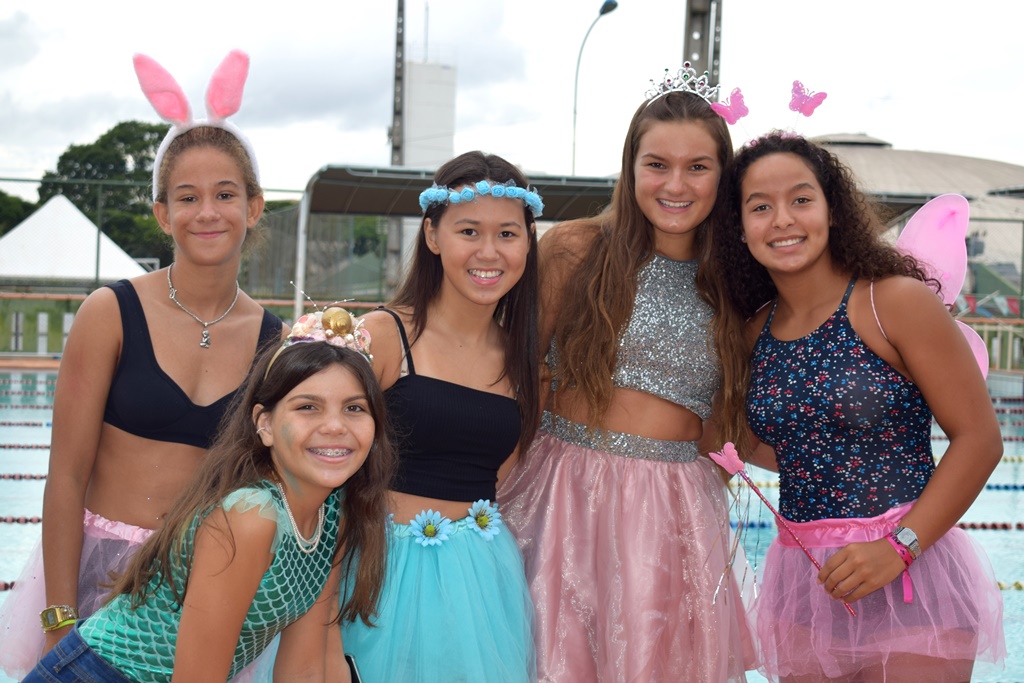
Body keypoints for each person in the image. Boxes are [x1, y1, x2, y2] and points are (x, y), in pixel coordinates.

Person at [0, 50, 286, 679]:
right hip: (95, 584)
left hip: (200, 591)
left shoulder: (275, 341)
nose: (206, 212)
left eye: (225, 194)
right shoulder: (110, 314)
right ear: (162, 213)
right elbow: (65, 475)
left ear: (254, 206)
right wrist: (59, 619)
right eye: (187, 197)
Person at [708, 132, 1006, 682]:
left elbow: (980, 439)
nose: (783, 219)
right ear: (739, 228)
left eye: (801, 199)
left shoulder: (893, 301)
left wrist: (899, 547)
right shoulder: (754, 333)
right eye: (760, 206)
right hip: (805, 585)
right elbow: (780, 447)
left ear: (832, 210)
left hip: (912, 577)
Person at [497, 68, 756, 682]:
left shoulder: (737, 281)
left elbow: (727, 422)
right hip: (560, 493)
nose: (676, 184)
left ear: (723, 176)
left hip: (674, 508)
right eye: (657, 164)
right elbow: (517, 379)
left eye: (697, 167)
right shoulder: (575, 249)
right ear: (630, 167)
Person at [22, 317, 394, 683]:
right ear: (264, 424)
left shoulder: (331, 514)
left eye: (354, 408)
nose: (335, 426)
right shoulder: (250, 516)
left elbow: (305, 668)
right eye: (307, 407)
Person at [336, 151, 541, 682]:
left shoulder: (522, 361)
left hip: (480, 584)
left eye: (507, 234)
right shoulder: (384, 335)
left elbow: (503, 475)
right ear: (432, 235)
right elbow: (323, 462)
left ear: (528, 242)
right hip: (376, 574)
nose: (488, 252)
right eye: (469, 231)